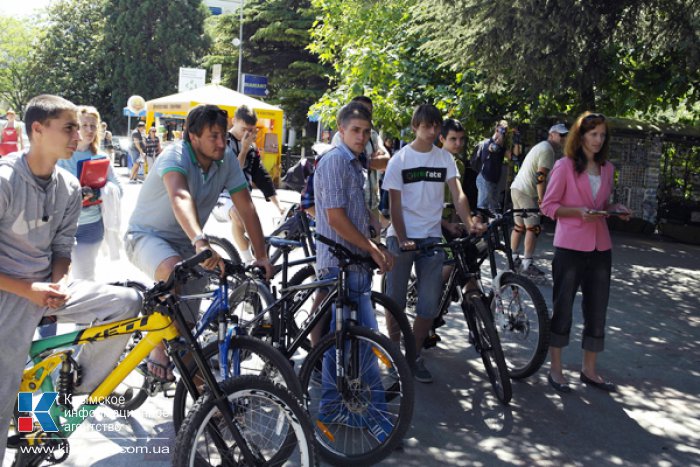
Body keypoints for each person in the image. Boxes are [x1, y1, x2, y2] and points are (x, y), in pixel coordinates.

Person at [0, 95, 141, 462]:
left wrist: (59, 283)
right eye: (68, 127)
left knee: (128, 303)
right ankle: (25, 428)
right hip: (8, 294)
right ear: (37, 129)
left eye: (79, 127)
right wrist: (29, 290)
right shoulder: (5, 180)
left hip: (49, 288)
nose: (77, 135)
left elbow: (63, 246)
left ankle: (73, 384)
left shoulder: (69, 186)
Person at [125, 104, 273, 382]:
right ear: (193, 137)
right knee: (172, 270)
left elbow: (246, 206)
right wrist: (199, 240)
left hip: (187, 246)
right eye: (213, 136)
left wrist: (262, 255)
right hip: (146, 236)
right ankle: (156, 345)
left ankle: (206, 401)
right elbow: (179, 196)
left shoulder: (225, 159)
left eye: (222, 135)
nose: (221, 142)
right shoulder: (175, 155)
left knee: (188, 330)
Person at [383, 104, 483, 383]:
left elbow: (458, 194)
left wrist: (469, 219)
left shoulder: (445, 159)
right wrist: (402, 238)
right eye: (426, 126)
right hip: (400, 237)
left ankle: (412, 355)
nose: (431, 131)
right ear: (415, 127)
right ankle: (393, 353)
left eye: (435, 126)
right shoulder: (399, 160)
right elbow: (394, 204)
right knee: (395, 300)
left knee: (428, 304)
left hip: (431, 239)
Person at [314, 101, 394, 439]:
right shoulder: (334, 162)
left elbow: (354, 209)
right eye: (355, 131)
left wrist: (374, 228)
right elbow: (334, 217)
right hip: (338, 266)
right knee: (362, 340)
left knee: (347, 343)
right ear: (340, 131)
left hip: (353, 265)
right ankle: (373, 414)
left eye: (366, 131)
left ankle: (333, 407)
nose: (362, 137)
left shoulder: (354, 163)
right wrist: (371, 247)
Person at [540, 112, 631, 393]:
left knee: (597, 309)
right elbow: (548, 206)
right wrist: (578, 213)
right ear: (581, 136)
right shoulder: (564, 166)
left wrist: (614, 210)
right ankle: (556, 369)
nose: (598, 140)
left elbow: (602, 203)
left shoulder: (608, 169)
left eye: (602, 135)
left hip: (600, 247)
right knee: (563, 307)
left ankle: (589, 369)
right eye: (593, 134)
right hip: (569, 247)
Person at [57, 106, 122, 281]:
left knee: (85, 277)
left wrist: (98, 191)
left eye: (93, 126)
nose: (89, 130)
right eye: (84, 125)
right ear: (75, 127)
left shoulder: (100, 156)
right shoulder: (61, 155)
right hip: (61, 226)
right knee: (58, 278)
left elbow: (118, 188)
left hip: (90, 225)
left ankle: (83, 308)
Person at [509, 123, 568, 277]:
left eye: (565, 136)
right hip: (526, 192)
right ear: (552, 134)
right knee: (533, 228)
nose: (563, 139)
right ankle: (527, 263)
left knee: (518, 226)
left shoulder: (542, 147)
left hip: (516, 188)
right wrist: (543, 200)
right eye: (561, 135)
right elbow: (540, 177)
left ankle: (513, 257)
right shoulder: (547, 150)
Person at [331, 96, 389, 231]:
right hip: (349, 207)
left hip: (372, 203)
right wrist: (370, 161)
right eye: (361, 110)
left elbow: (387, 161)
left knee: (374, 246)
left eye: (368, 111)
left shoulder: (372, 135)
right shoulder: (338, 141)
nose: (361, 137)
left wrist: (365, 162)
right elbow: (348, 163)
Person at [473, 120, 509, 212]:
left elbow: (512, 156)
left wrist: (517, 137)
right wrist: (498, 137)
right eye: (501, 129)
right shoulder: (488, 143)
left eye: (505, 130)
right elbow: (493, 148)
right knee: (482, 207)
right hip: (485, 179)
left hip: (494, 181)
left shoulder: (502, 146)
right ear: (496, 129)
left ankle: (491, 225)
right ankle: (476, 225)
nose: (503, 132)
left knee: (494, 208)